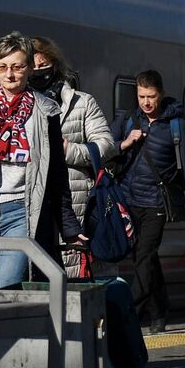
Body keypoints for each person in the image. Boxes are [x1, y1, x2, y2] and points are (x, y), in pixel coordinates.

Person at [0, 33, 84, 368]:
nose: (9, 74)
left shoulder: (44, 110)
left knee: (5, 287)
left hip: (22, 210)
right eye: (2, 67)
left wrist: (69, 225)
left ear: (31, 67)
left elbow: (56, 175)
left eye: (17, 66)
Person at [114, 70, 185, 335]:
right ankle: (159, 311)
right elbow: (108, 148)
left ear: (162, 93)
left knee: (144, 257)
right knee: (146, 259)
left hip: (156, 203)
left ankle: (129, 315)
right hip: (129, 200)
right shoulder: (128, 120)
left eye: (151, 96)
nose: (146, 102)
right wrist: (125, 142)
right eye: (141, 96)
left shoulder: (175, 126)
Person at [30, 36, 115, 279]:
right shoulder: (20, 104)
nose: (37, 71)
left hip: (75, 201)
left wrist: (68, 150)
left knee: (73, 274)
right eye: (32, 66)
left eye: (43, 64)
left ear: (55, 65)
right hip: (32, 199)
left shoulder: (82, 102)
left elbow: (106, 145)